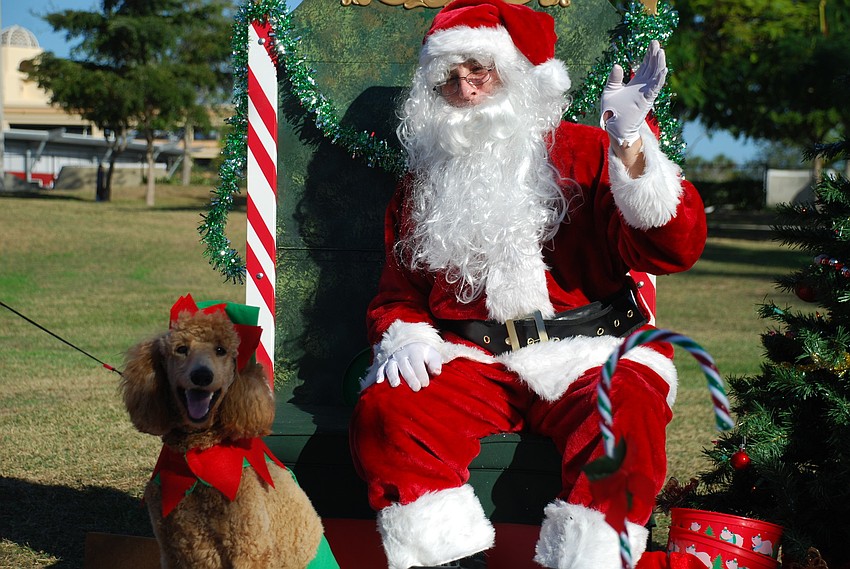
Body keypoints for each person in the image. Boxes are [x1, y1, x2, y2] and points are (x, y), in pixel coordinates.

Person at [349, 1, 706, 568]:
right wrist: (407, 334)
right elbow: (398, 293)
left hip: (590, 349)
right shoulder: (422, 181)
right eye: (448, 76)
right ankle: (445, 558)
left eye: (479, 70)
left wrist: (632, 148)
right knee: (388, 411)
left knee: (626, 412)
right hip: (475, 358)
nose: (465, 90)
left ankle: (590, 559)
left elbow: (674, 248)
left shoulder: (588, 152)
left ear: (518, 74)